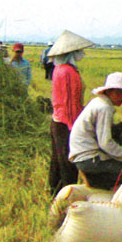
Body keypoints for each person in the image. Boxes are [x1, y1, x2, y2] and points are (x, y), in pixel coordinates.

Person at [69, 72, 122, 190]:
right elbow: (105, 143)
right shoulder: (104, 108)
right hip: (89, 159)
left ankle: (100, 180)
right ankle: (98, 181)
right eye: (118, 93)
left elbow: (105, 132)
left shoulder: (98, 102)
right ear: (108, 91)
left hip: (85, 155)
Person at [47, 30, 94, 194]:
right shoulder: (67, 72)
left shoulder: (60, 69)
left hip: (59, 120)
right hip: (66, 123)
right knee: (68, 162)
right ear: (71, 53)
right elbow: (68, 103)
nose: (81, 53)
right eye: (78, 51)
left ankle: (55, 193)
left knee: (57, 161)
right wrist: (74, 127)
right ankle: (67, 195)